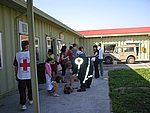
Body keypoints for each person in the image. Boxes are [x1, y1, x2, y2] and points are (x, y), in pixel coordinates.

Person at [13, 41, 33, 110]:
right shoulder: (31, 53)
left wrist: (16, 74)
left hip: (21, 75)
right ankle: (30, 99)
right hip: (30, 75)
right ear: (26, 46)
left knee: (22, 90)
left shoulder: (17, 54)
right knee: (30, 88)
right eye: (28, 45)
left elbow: (15, 66)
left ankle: (23, 104)